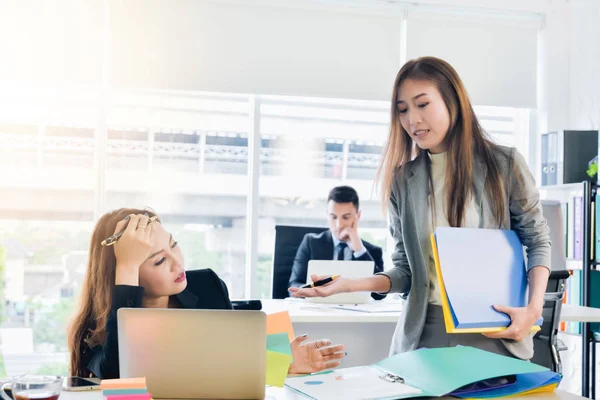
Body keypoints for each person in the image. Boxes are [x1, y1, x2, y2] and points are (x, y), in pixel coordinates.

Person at [290, 57, 550, 361]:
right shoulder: (403, 180)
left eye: (422, 104)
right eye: (403, 110)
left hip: (495, 332)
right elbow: (405, 271)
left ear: (453, 101)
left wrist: (533, 310)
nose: (412, 120)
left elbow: (537, 240)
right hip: (425, 333)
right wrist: (350, 284)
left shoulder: (504, 165)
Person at [69, 208, 345, 378]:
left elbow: (227, 363)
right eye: (158, 260)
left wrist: (281, 363)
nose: (178, 263)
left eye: (174, 245)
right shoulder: (93, 330)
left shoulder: (206, 285)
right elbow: (121, 375)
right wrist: (126, 266)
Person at [288, 186, 385, 300]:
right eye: (333, 217)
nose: (339, 225)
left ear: (357, 216)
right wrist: (308, 291)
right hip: (317, 309)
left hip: (355, 314)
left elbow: (380, 295)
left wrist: (359, 250)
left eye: (346, 217)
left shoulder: (373, 251)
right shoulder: (311, 242)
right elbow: (294, 283)